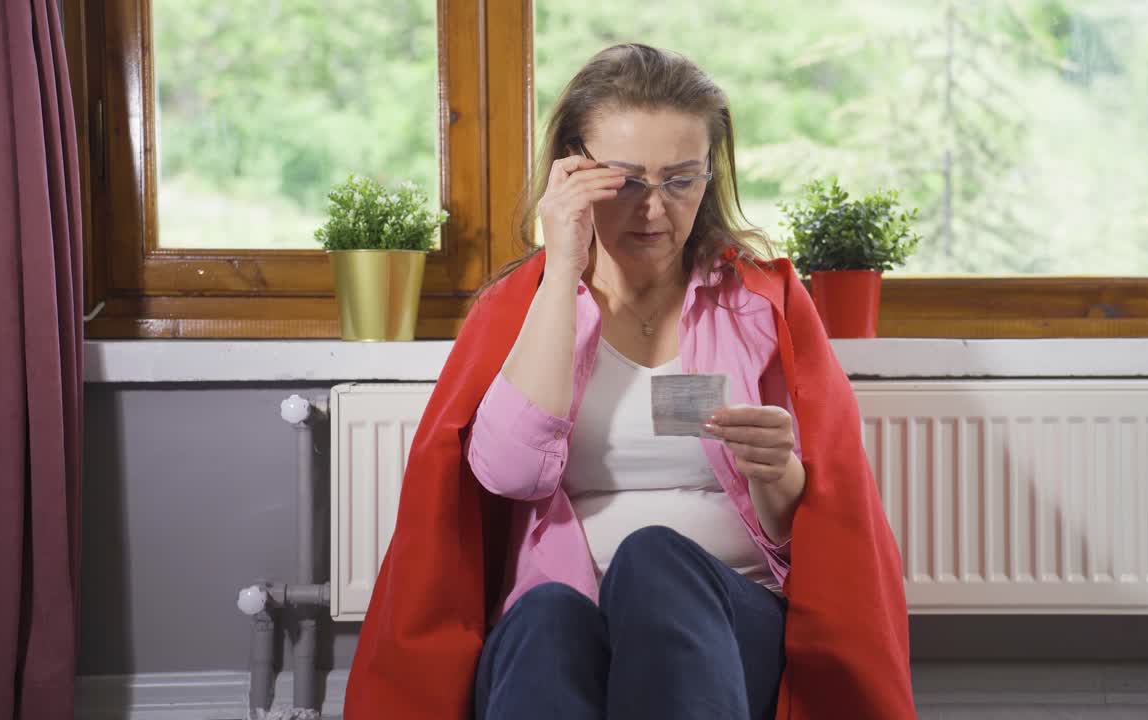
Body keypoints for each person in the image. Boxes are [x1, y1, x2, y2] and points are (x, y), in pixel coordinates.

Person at [344, 44, 915, 720]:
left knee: (654, 563)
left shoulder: (762, 304)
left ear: (711, 175)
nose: (654, 211)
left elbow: (808, 530)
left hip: (730, 624)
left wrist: (775, 472)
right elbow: (510, 473)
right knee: (548, 617)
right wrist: (561, 268)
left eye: (681, 180)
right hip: (566, 616)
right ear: (572, 172)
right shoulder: (521, 308)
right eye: (625, 181)